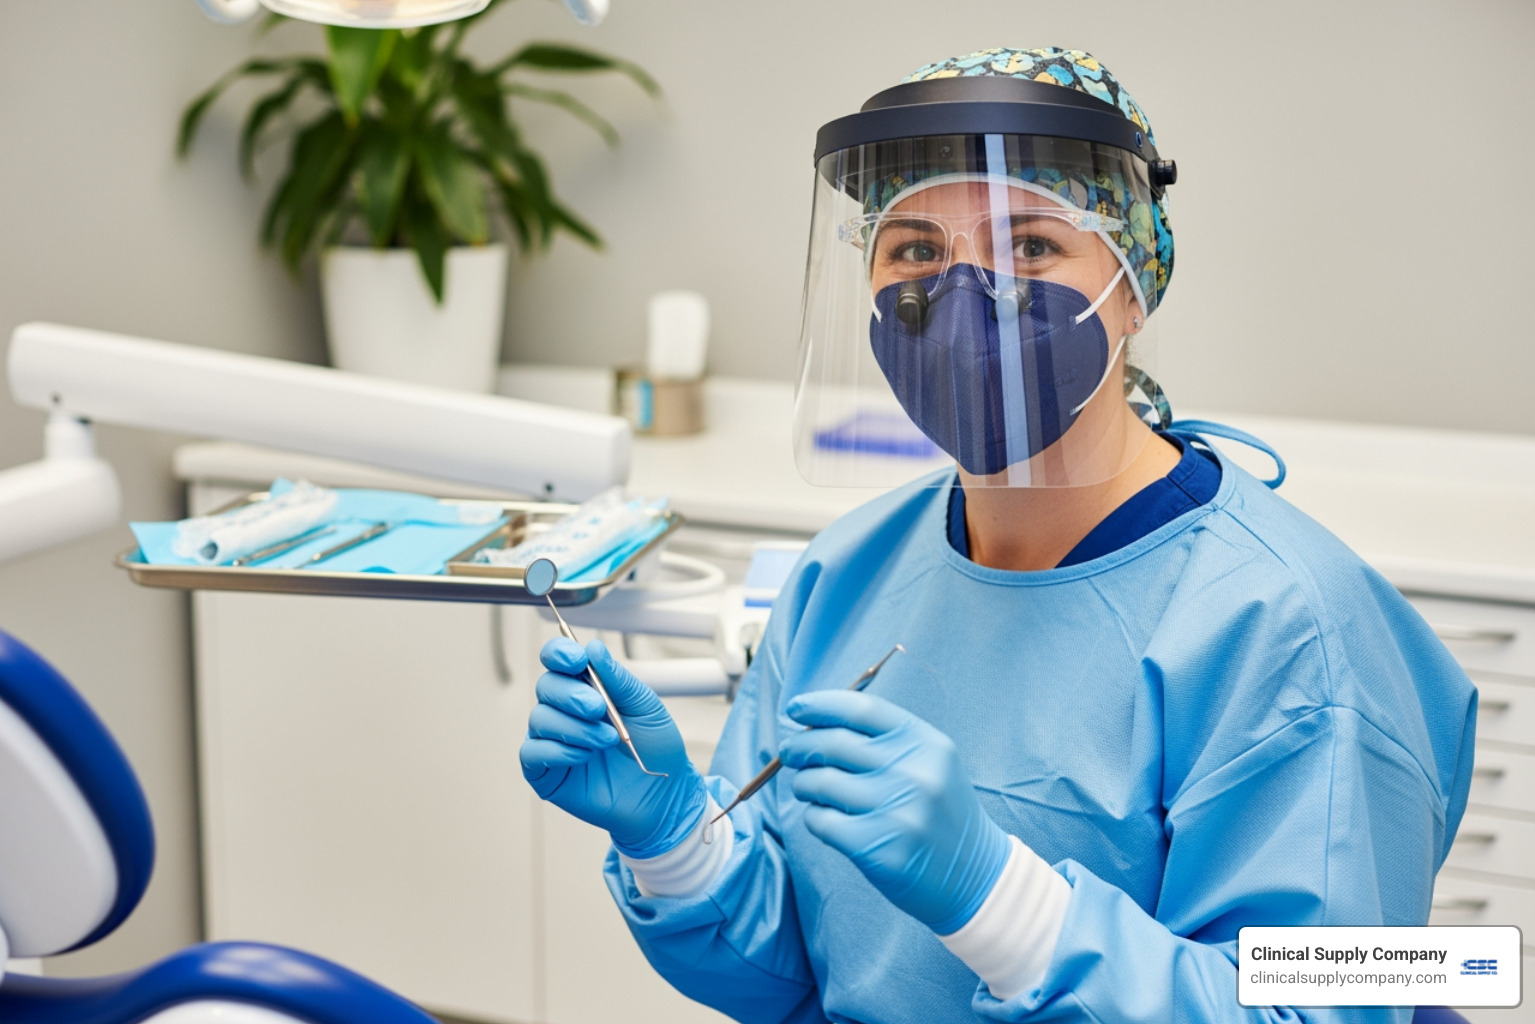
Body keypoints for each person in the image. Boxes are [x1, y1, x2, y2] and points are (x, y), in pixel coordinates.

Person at [520, 47, 1476, 1023]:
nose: (967, 300)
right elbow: (792, 979)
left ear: (1136, 278)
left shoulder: (1292, 628)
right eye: (917, 251)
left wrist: (1001, 903)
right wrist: (680, 842)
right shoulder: (845, 573)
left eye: (1030, 246)